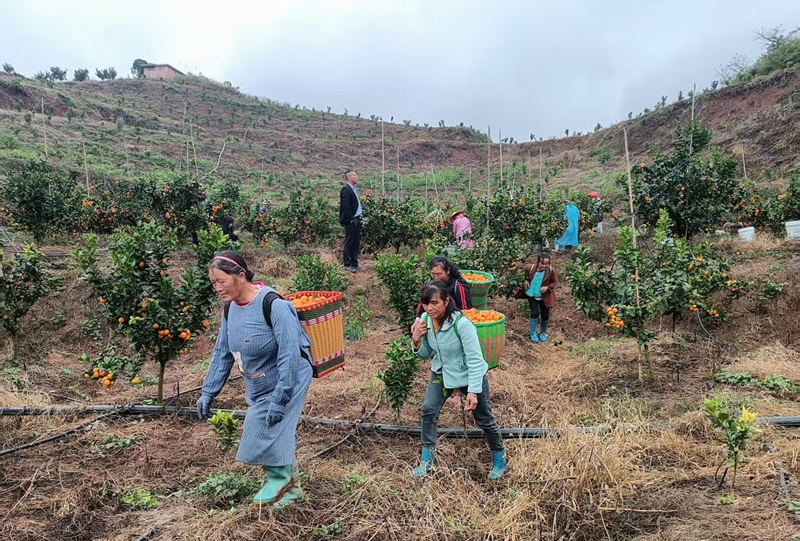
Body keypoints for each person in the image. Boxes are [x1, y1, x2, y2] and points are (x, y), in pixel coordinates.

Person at [197, 251, 313, 509]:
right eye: (213, 283)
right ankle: (292, 492)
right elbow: (222, 353)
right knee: (277, 428)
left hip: (290, 375)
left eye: (221, 281)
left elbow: (289, 354)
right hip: (258, 379)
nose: (217, 288)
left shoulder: (274, 306)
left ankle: (279, 479)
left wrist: (281, 398)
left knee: (259, 424)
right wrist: (209, 391)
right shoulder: (230, 310)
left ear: (240, 276)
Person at [410, 281, 507, 479]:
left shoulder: (462, 324)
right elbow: (428, 353)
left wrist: (472, 390)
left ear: (447, 301)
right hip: (442, 373)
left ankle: (499, 458)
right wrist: (416, 340)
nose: (430, 307)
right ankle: (427, 459)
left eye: (435, 302)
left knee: (484, 419)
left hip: (468, 375)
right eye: (427, 303)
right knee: (429, 410)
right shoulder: (427, 320)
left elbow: (475, 360)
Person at [522, 253, 558, 343]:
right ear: (538, 262)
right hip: (531, 294)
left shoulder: (551, 271)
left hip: (544, 296)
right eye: (542, 263)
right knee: (535, 312)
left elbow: (554, 282)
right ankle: (533, 333)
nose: (544, 266)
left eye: (547, 264)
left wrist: (547, 287)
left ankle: (543, 332)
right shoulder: (529, 268)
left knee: (545, 315)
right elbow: (522, 276)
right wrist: (525, 280)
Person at [339, 170, 362, 273]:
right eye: (355, 175)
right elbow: (346, 206)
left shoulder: (353, 189)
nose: (357, 176)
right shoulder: (346, 189)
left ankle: (354, 263)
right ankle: (347, 264)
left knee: (355, 242)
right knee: (349, 242)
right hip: (351, 220)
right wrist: (351, 219)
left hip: (357, 219)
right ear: (349, 177)